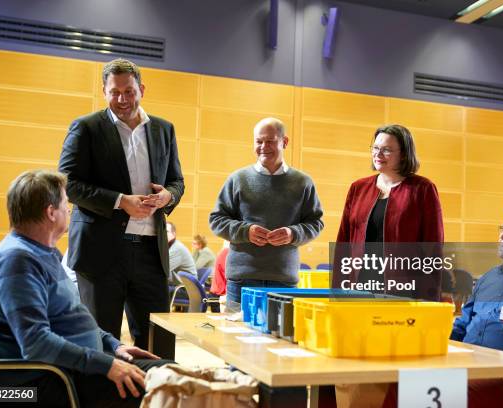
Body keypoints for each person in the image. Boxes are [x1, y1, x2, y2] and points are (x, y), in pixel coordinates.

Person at [0, 170, 173, 407]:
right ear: (51, 213)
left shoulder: (41, 253)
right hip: (44, 382)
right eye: (64, 205)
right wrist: (106, 364)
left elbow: (69, 317)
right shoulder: (17, 260)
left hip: (72, 370)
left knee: (172, 373)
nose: (69, 211)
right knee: (174, 386)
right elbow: (36, 344)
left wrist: (114, 345)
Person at [385, 203, 503, 408]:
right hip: (466, 368)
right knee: (393, 382)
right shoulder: (490, 278)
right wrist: (432, 345)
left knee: (412, 392)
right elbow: (462, 325)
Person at [58, 58, 184, 350]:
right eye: (114, 92)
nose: (122, 99)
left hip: (152, 251)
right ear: (104, 91)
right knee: (101, 342)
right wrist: (119, 201)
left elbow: (177, 181)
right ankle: (101, 398)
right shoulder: (86, 128)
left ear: (141, 89)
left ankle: (156, 396)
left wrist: (168, 196)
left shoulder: (164, 130)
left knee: (158, 341)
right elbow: (68, 184)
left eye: (129, 92)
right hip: (100, 251)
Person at [209, 117, 324, 309]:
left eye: (270, 141)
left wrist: (293, 234)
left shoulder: (303, 182)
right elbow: (217, 220)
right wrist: (246, 231)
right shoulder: (237, 179)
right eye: (259, 141)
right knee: (235, 338)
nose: (263, 146)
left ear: (284, 142)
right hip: (241, 280)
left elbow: (315, 223)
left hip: (283, 280)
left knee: (280, 338)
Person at [334, 124, 444, 300]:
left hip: (404, 290)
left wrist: (428, 299)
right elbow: (344, 242)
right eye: (375, 148)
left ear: (403, 154)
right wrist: (338, 291)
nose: (378, 154)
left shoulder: (423, 189)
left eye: (386, 150)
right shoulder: (358, 188)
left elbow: (433, 247)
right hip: (359, 286)